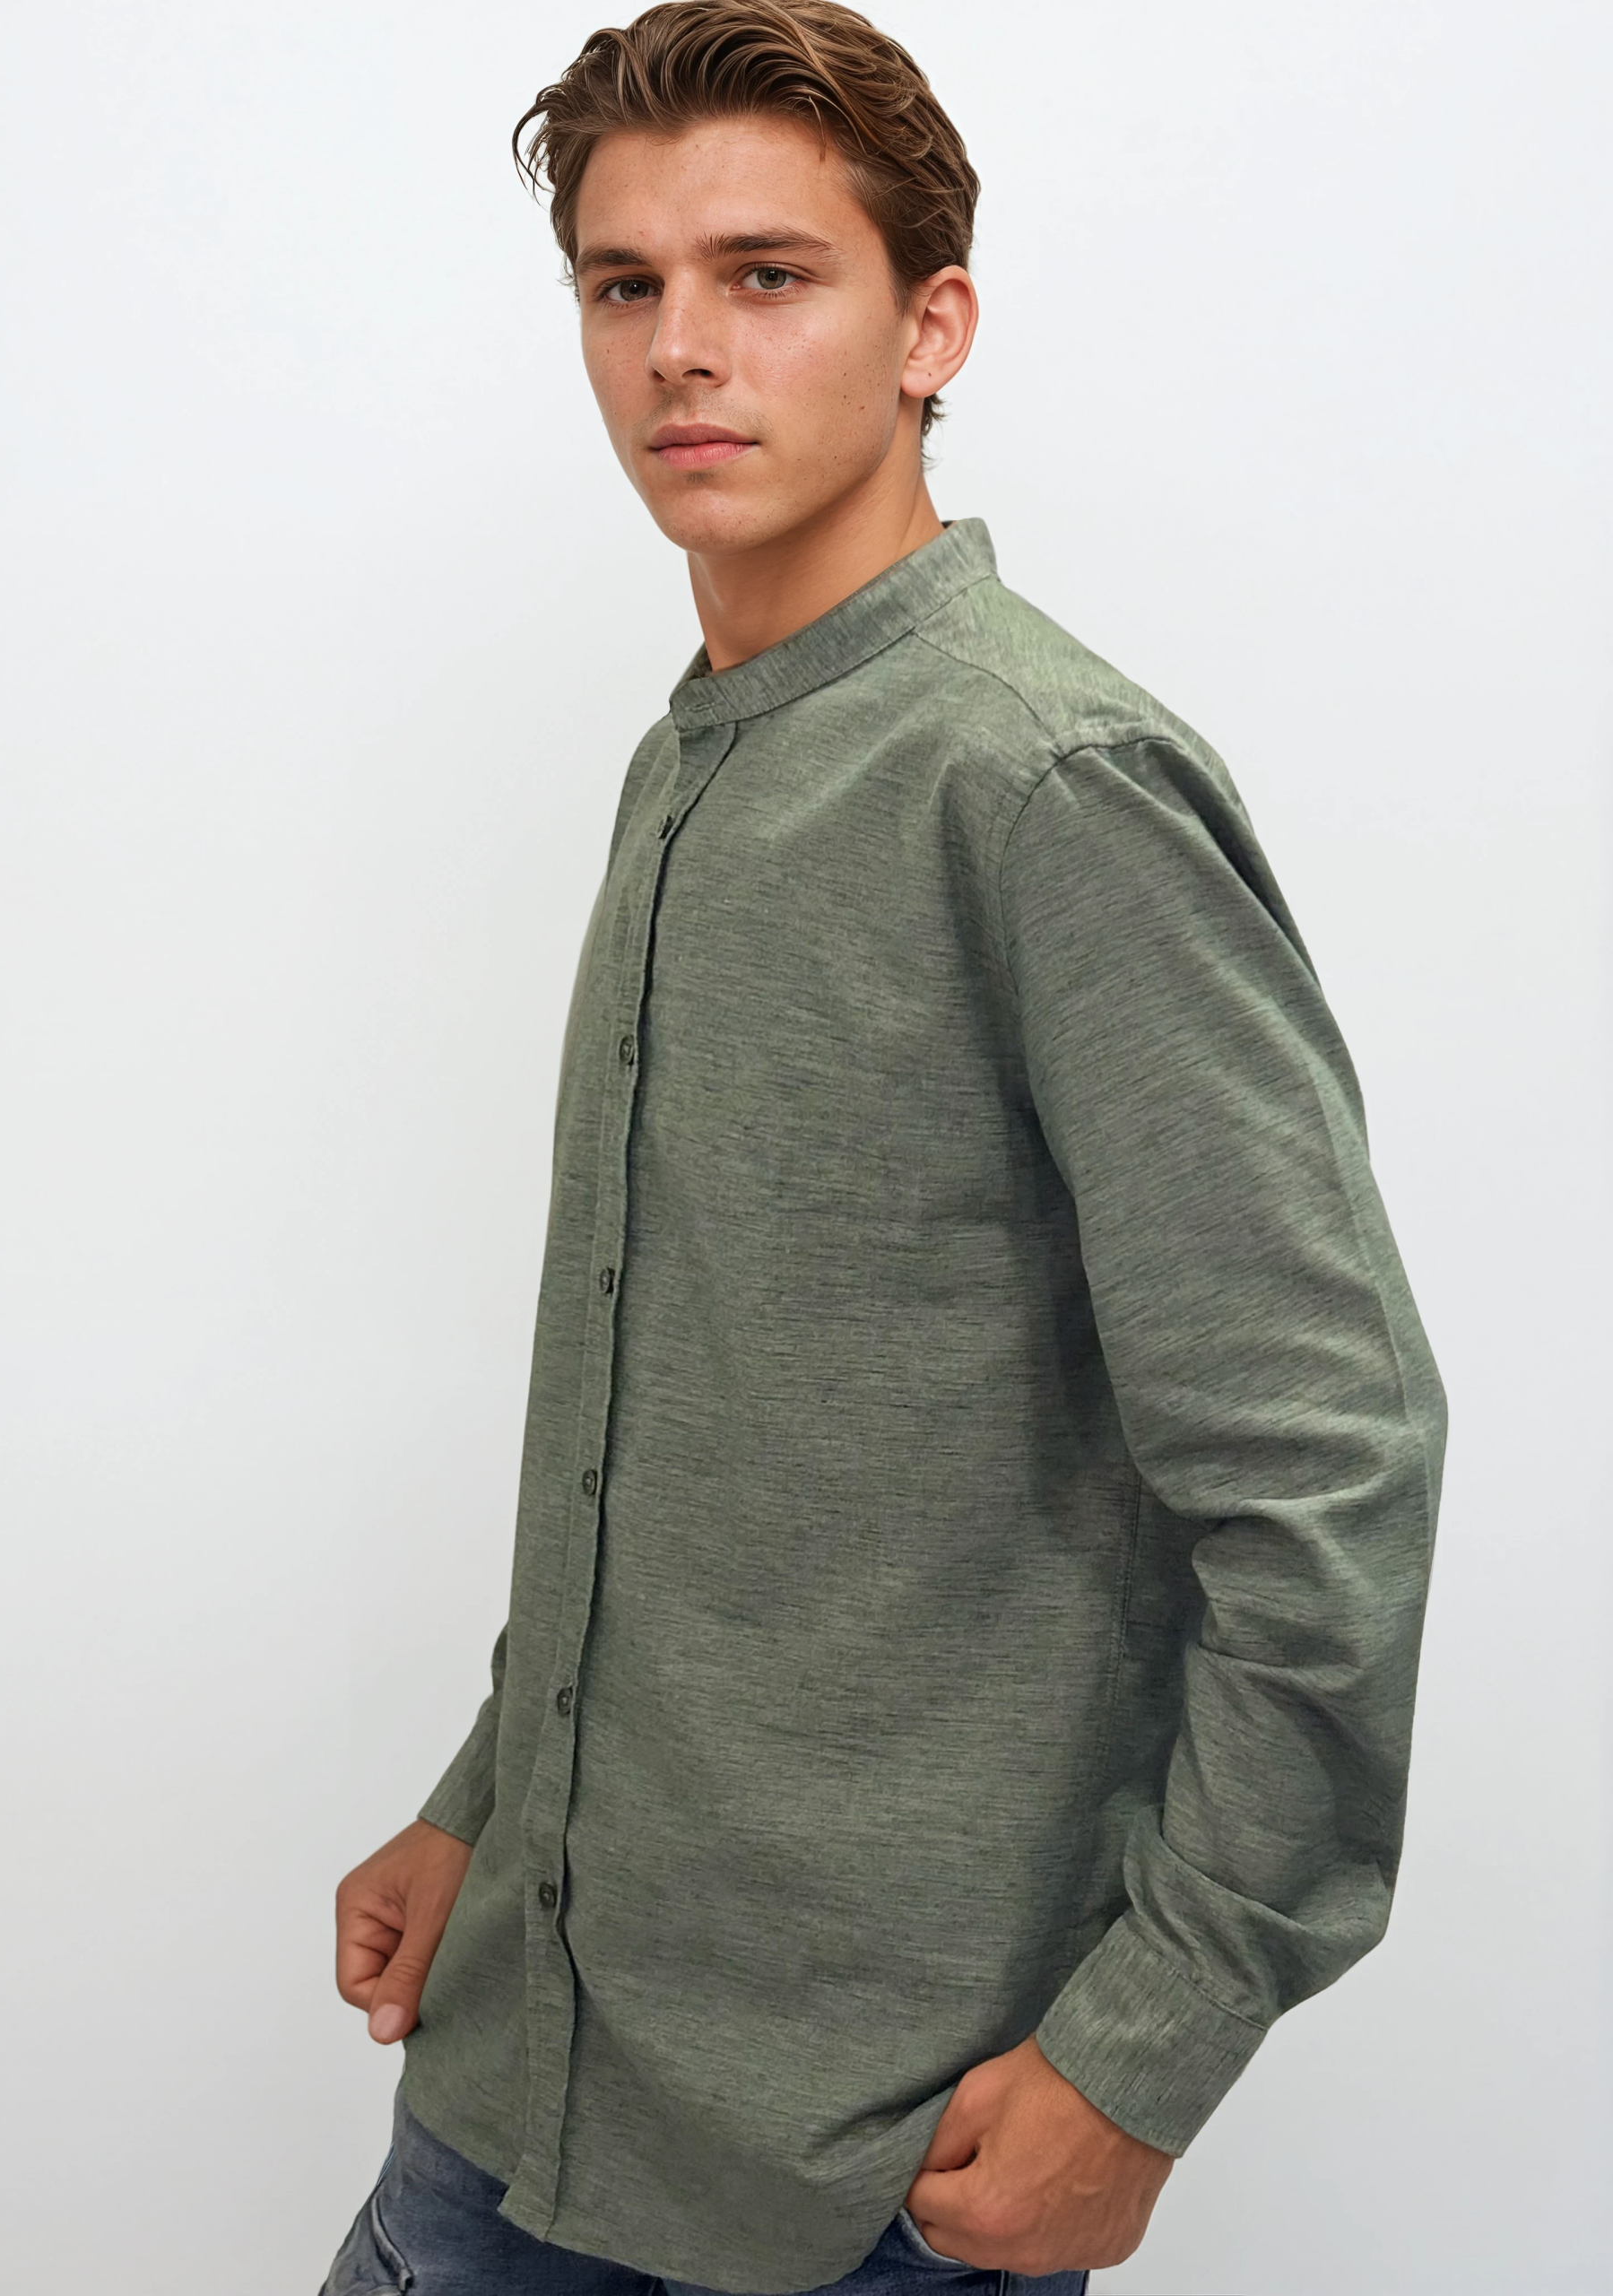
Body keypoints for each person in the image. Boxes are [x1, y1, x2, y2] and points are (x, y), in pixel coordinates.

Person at [319, 5, 1447, 2292]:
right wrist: (488, 1805)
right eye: (623, 284)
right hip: (528, 2064)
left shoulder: (1041, 784)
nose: (680, 347)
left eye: (766, 274)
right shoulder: (697, 756)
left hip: (860, 2162)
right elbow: (685, 1421)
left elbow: (1328, 1465)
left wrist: (1146, 2052)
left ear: (932, 326)